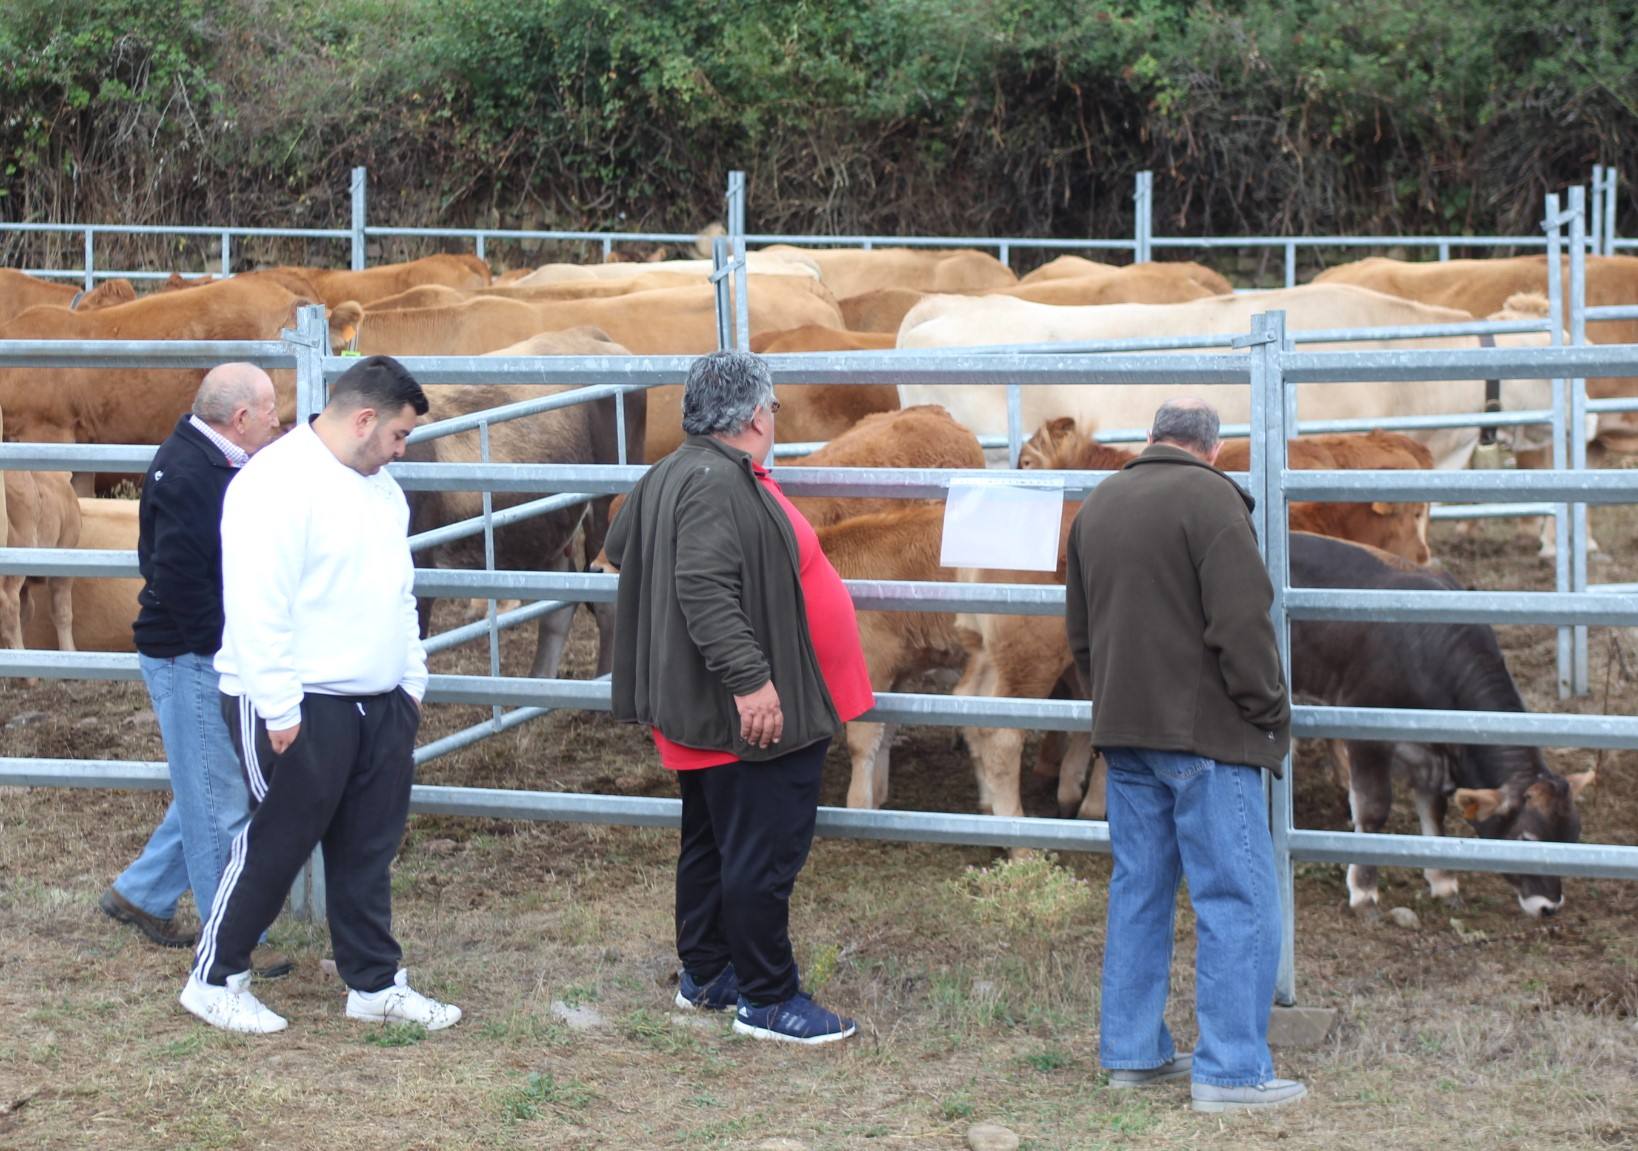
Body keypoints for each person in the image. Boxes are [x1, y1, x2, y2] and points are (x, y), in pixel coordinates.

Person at [178, 354, 460, 1036]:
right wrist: (277, 705)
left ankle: (373, 981)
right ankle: (214, 978)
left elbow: (400, 593)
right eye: (397, 434)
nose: (401, 449)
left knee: (368, 845)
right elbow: (256, 602)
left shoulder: (382, 489)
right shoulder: (275, 482)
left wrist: (409, 683)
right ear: (363, 418)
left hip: (377, 701)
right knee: (278, 842)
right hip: (297, 700)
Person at [604, 349, 873, 1045]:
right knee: (762, 852)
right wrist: (752, 681)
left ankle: (707, 974)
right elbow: (702, 585)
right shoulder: (719, 484)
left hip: (704, 709)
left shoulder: (675, 471)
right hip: (744, 712)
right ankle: (768, 997)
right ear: (756, 414)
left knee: (712, 843)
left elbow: (621, 545)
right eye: (774, 408)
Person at [1064, 397, 1306, 1113]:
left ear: (1150, 440)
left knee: (1138, 890)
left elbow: (1079, 631)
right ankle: (1232, 1071)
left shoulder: (1100, 504)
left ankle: (1133, 1053)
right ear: (1215, 449)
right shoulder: (1214, 502)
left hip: (1126, 731)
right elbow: (1243, 624)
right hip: (1205, 736)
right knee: (1235, 895)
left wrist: (1105, 701)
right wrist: (1267, 712)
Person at [100, 363, 291, 980]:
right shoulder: (188, 472)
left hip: (196, 651)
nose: (277, 419)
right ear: (239, 419)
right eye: (269, 410)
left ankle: (141, 894)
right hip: (193, 657)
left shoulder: (203, 459)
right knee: (219, 800)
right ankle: (228, 938)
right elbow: (177, 579)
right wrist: (225, 650)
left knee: (210, 782)